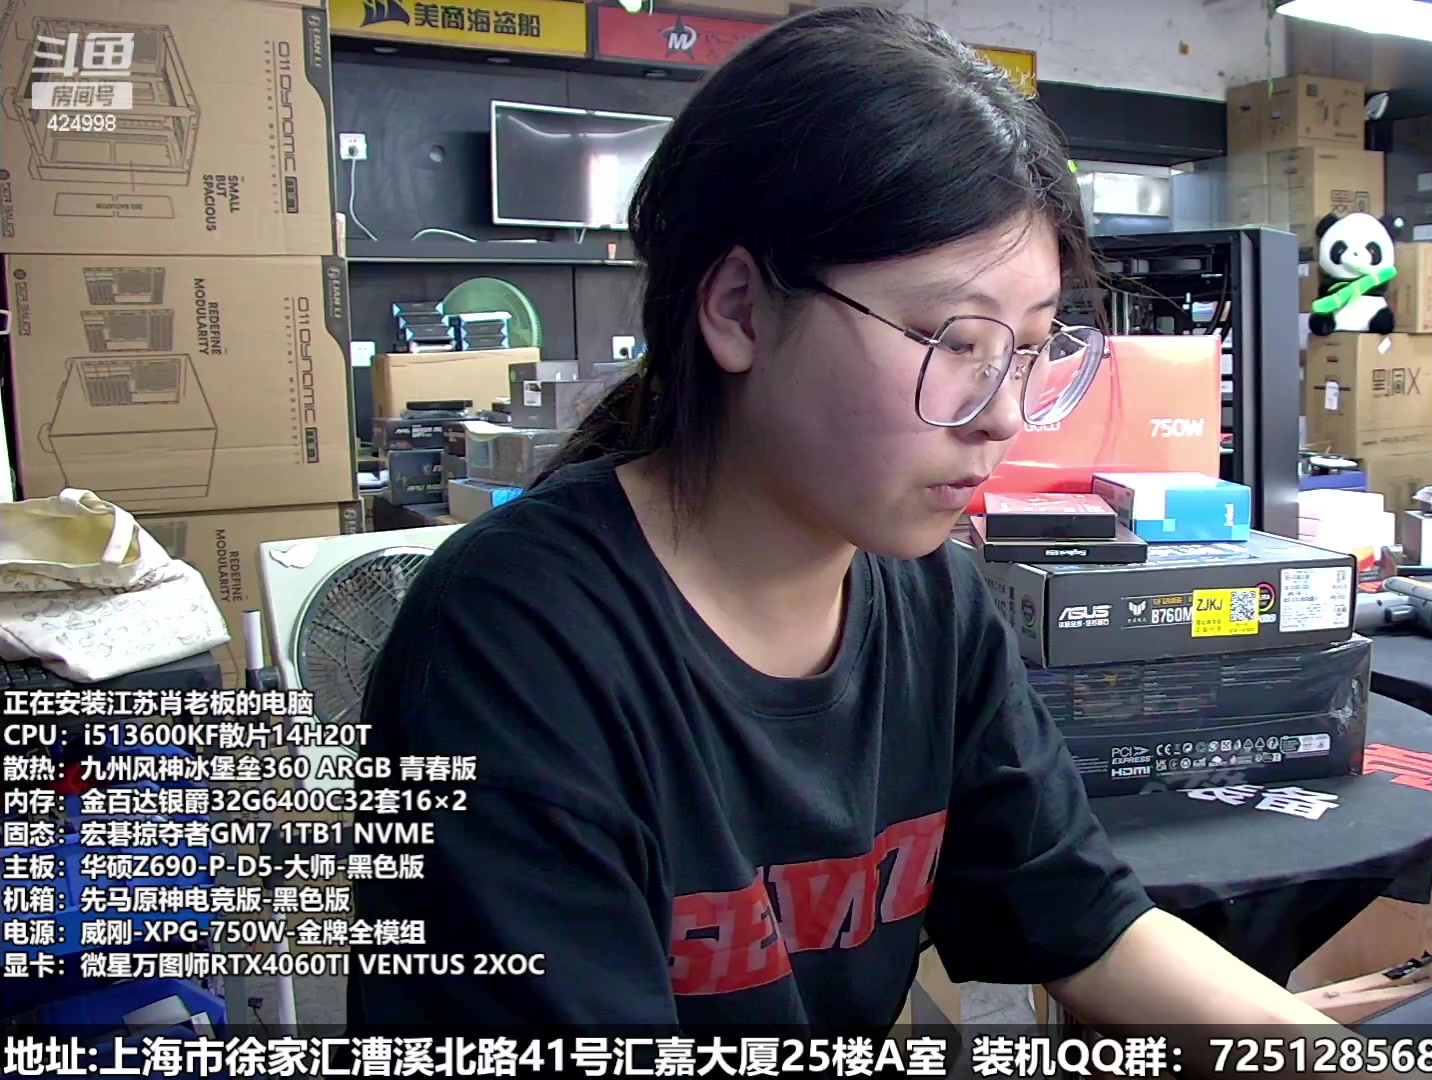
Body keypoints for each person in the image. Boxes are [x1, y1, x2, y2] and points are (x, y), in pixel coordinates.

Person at [346, 7, 1333, 1031]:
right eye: (951, 338)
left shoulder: (933, 596)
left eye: (1034, 347)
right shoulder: (510, 645)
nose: (1001, 413)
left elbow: (1087, 924)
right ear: (740, 309)